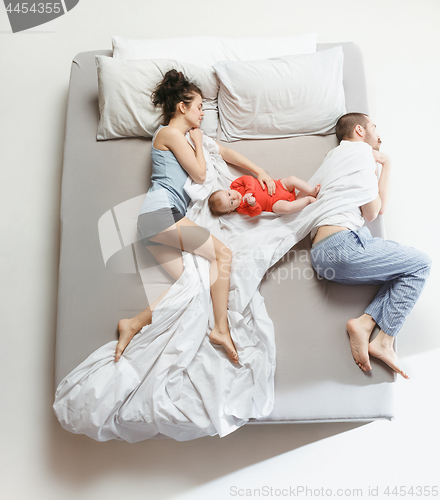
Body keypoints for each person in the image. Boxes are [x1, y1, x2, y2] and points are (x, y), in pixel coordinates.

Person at [115, 69, 276, 364]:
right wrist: (199, 142)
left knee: (188, 286)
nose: (203, 113)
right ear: (182, 107)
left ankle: (133, 323)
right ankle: (221, 329)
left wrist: (259, 170)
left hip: (157, 220)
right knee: (223, 255)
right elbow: (200, 174)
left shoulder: (185, 139)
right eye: (200, 106)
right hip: (161, 214)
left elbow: (224, 152)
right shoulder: (169, 134)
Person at [310, 112, 431, 379]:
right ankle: (384, 341)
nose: (379, 134)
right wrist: (386, 165)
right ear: (359, 131)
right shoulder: (360, 154)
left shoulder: (334, 158)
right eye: (374, 127)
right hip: (340, 247)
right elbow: (374, 210)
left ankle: (364, 324)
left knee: (402, 269)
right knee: (421, 264)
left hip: (323, 254)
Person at [208, 174, 320, 217]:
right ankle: (307, 200)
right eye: (231, 202)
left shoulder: (235, 186)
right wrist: (253, 204)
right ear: (230, 210)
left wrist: (249, 191)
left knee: (291, 179)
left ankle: (311, 191)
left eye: (228, 194)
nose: (233, 197)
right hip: (273, 204)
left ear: (226, 189)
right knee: (286, 208)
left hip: (278, 186)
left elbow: (249, 179)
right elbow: (256, 212)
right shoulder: (242, 208)